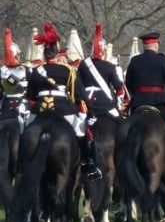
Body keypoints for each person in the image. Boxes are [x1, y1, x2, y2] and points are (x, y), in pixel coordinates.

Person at [25, 22, 102, 181]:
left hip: (40, 110)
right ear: (56, 53)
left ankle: (21, 162)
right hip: (63, 110)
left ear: (45, 55)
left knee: (25, 130)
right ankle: (88, 163)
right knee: (81, 133)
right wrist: (91, 112)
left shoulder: (35, 72)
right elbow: (78, 95)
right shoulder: (68, 70)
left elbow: (31, 96)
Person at [125, 30, 165, 169]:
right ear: (156, 45)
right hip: (158, 102)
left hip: (138, 103)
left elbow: (128, 83)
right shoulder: (162, 60)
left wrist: (136, 95)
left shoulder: (134, 61)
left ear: (144, 46)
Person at [77, 23, 125, 119]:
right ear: (103, 50)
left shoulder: (83, 65)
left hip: (86, 102)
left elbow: (79, 85)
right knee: (120, 124)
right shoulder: (110, 67)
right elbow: (119, 88)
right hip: (104, 102)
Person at [0, 28, 31, 132]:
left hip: (5, 105)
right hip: (22, 104)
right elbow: (26, 89)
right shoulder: (25, 69)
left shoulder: (2, 71)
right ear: (16, 55)